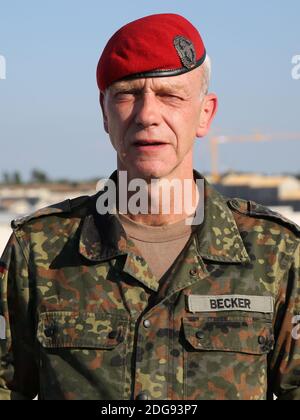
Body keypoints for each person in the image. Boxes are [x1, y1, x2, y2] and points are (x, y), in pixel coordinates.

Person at [0, 13, 300, 401]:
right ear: (104, 112)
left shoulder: (273, 252)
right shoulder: (39, 251)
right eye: (127, 94)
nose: (147, 116)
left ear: (205, 113)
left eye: (171, 96)